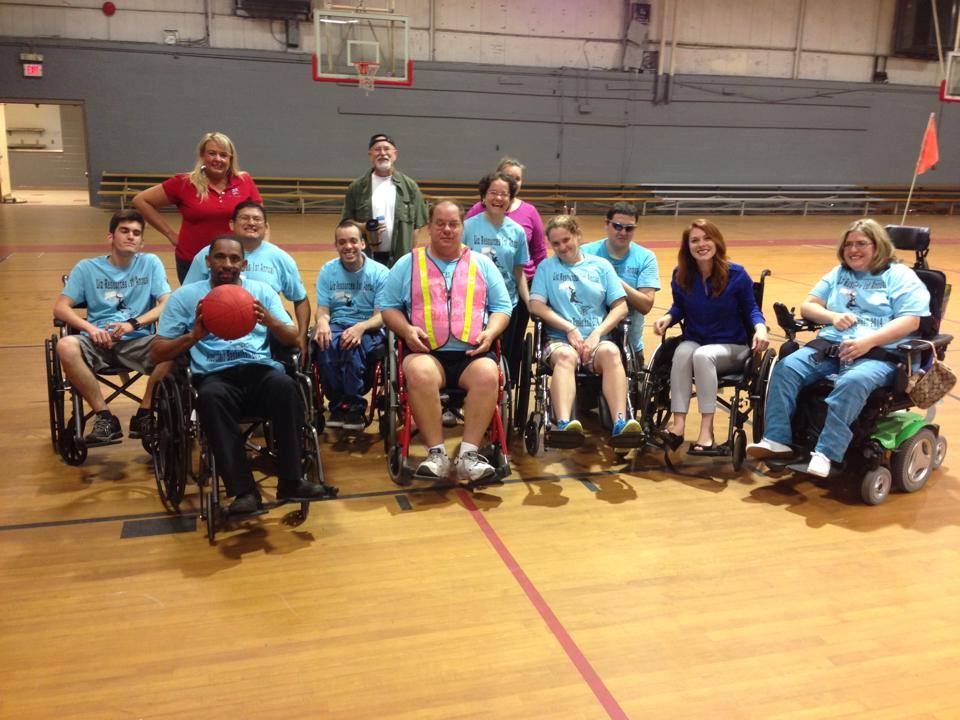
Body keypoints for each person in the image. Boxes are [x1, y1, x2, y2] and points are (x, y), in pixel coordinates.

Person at [150, 235, 327, 515]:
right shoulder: (185, 297)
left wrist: (269, 320)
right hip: (214, 376)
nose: (227, 264)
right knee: (209, 398)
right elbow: (157, 352)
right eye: (220, 257)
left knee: (286, 386)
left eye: (234, 259)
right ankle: (243, 491)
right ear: (207, 261)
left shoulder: (262, 291)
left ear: (244, 264)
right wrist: (194, 336)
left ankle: (292, 480)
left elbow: (294, 338)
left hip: (260, 371)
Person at [748, 219, 930, 477]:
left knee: (852, 382)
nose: (853, 250)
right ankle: (776, 441)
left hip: (878, 353)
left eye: (861, 244)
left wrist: (869, 341)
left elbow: (911, 320)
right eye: (848, 244)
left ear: (877, 245)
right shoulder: (839, 273)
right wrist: (832, 317)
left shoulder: (899, 275)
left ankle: (826, 453)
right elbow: (809, 306)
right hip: (832, 345)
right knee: (787, 368)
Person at [379, 199, 512, 482]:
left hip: (472, 354)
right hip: (427, 352)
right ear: (429, 227)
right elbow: (388, 306)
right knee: (417, 372)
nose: (447, 229)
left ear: (463, 227)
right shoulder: (408, 263)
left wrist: (491, 332)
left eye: (453, 224)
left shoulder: (483, 264)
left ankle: (468, 456)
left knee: (490, 374)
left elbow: (502, 308)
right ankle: (436, 454)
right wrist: (406, 331)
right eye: (440, 223)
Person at [53, 209, 172, 444]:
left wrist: (133, 323)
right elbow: (61, 308)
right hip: (99, 342)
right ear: (111, 237)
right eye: (124, 231)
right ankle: (104, 417)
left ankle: (145, 413)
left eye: (136, 233)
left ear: (141, 241)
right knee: (66, 345)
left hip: (139, 340)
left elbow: (167, 303)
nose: (131, 237)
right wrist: (91, 329)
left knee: (175, 346)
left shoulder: (150, 263)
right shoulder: (86, 268)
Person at [651, 220, 768, 455]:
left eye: (707, 238)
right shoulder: (681, 274)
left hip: (733, 346)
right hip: (697, 339)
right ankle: (679, 425)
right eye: (695, 240)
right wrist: (667, 317)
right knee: (682, 352)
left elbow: (752, 309)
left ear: (717, 242)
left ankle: (707, 430)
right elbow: (679, 307)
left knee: (703, 356)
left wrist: (761, 328)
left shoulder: (737, 274)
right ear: (688, 247)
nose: (701, 244)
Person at [529, 215, 642, 440]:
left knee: (611, 352)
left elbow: (620, 308)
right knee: (565, 358)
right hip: (559, 339)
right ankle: (563, 424)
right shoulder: (546, 268)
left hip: (596, 340)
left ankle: (620, 422)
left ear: (578, 235)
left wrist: (597, 333)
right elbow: (536, 305)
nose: (562, 247)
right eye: (556, 243)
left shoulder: (601, 266)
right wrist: (569, 328)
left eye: (566, 239)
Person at [183, 201, 311, 360]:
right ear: (232, 224)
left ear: (266, 226)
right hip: (215, 332)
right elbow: (186, 296)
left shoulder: (280, 258)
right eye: (245, 218)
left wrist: (302, 337)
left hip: (263, 331)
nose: (251, 223)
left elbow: (300, 298)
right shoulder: (207, 255)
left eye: (257, 219)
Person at [132, 131, 262, 283]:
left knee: (230, 304)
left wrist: (260, 251)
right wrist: (170, 234)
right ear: (202, 156)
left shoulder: (244, 180)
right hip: (191, 260)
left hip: (231, 263)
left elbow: (260, 220)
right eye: (212, 153)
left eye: (223, 155)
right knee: (195, 305)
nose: (218, 159)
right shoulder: (184, 182)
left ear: (230, 159)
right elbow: (141, 200)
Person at [313, 220, 389, 430]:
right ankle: (338, 404)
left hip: (368, 326)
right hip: (337, 323)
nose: (348, 246)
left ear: (363, 244)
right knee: (324, 343)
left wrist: (360, 328)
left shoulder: (380, 273)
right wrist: (321, 322)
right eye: (342, 242)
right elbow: (323, 308)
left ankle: (355, 405)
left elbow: (381, 316)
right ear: (336, 245)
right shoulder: (327, 271)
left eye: (353, 241)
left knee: (350, 345)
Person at [462, 171, 530, 387]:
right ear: (483, 196)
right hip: (472, 306)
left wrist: (529, 304)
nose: (498, 198)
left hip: (506, 305)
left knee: (504, 359)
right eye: (493, 193)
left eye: (504, 194)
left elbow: (518, 273)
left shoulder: (517, 232)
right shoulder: (468, 227)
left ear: (510, 199)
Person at [581, 202, 659, 356]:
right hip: (589, 343)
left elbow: (646, 305)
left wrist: (613, 278)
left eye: (629, 228)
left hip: (630, 346)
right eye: (617, 226)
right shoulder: (586, 253)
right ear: (606, 224)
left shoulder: (646, 258)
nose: (623, 232)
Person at [341, 133, 428, 267]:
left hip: (400, 261)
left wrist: (409, 255)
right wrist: (364, 228)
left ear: (395, 154)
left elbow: (417, 226)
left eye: (387, 149)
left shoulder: (410, 187)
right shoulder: (357, 188)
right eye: (377, 149)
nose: (382, 153)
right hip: (367, 260)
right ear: (370, 154)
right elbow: (346, 223)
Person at [465, 156, 547, 285]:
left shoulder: (530, 212)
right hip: (483, 281)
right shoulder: (478, 209)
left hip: (522, 282)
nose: (513, 182)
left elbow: (539, 252)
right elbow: (463, 245)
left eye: (518, 178)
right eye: (509, 176)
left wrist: (543, 281)